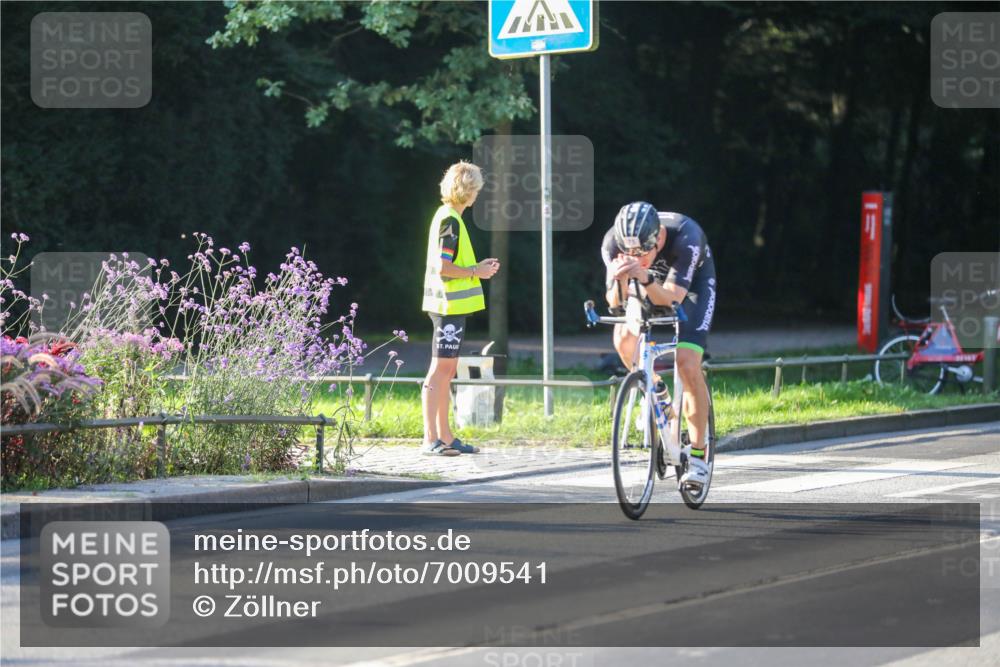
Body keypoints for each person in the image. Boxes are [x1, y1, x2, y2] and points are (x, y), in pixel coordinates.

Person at [601, 201, 717, 487]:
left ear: (659, 239)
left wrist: (643, 275)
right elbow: (615, 303)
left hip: (689, 288)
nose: (636, 258)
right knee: (624, 338)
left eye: (643, 253)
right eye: (630, 254)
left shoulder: (686, 238)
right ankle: (658, 395)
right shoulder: (613, 243)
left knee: (687, 363)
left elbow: (673, 299)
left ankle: (700, 456)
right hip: (649, 283)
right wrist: (619, 279)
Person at [421, 161, 500, 456]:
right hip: (447, 306)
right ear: (469, 190)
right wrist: (475, 271)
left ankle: (446, 436)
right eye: (476, 188)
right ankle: (431, 439)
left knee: (447, 369)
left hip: (449, 306)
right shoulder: (450, 220)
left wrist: (475, 269)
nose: (477, 194)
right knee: (441, 370)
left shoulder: (449, 217)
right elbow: (444, 268)